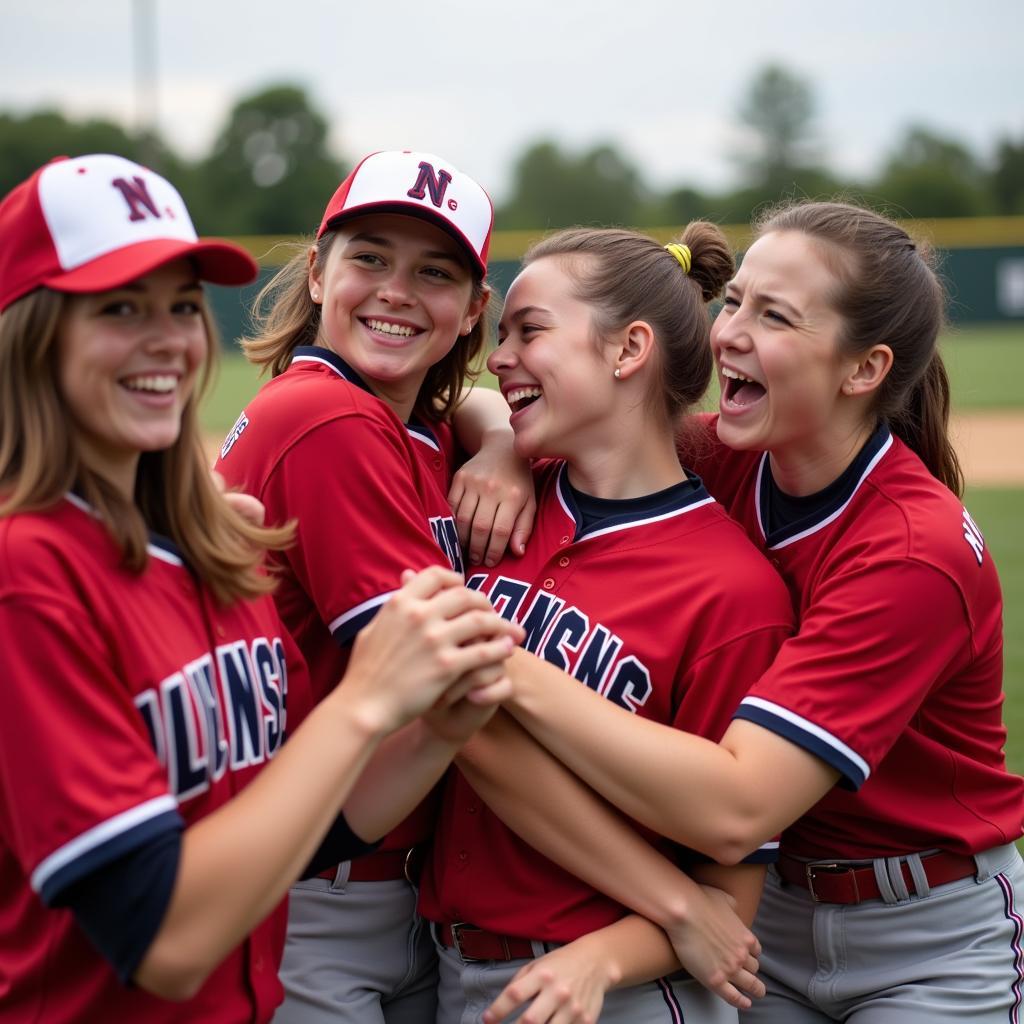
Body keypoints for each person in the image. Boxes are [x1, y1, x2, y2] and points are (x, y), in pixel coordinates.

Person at [0, 153, 522, 1024]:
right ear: (32, 335)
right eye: (120, 310)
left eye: (179, 307)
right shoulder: (29, 577)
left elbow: (307, 821)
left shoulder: (220, 544)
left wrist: (434, 734)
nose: (166, 338)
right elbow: (163, 941)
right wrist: (365, 702)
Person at [486, 201, 1024, 1023]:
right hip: (761, 925)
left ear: (863, 369)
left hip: (926, 940)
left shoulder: (914, 551)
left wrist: (495, 661)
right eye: (734, 300)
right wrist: (496, 447)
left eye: (773, 315)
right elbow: (557, 416)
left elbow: (736, 808)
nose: (728, 331)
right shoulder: (728, 456)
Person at [417, 224, 797, 1023]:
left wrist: (601, 959)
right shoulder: (496, 503)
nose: (499, 357)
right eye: (501, 334)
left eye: (531, 330)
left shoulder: (734, 593)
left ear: (628, 351)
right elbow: (457, 402)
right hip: (448, 969)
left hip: (614, 991)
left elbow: (729, 899)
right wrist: (497, 447)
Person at [214, 149, 535, 1024]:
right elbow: (452, 697)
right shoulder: (327, 419)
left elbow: (457, 413)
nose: (397, 290)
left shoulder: (412, 431)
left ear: (472, 310)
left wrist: (500, 437)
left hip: (389, 891)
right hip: (316, 893)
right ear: (317, 273)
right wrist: (664, 897)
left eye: (433, 272)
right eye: (370, 258)